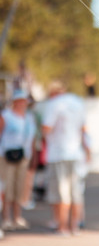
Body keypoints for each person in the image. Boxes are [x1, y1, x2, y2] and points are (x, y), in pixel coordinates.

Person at [41, 80, 90, 236]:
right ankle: (74, 227)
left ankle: (62, 227)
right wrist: (87, 149)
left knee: (61, 192)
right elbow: (83, 129)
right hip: (75, 153)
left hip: (58, 153)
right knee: (75, 192)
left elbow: (46, 128)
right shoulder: (77, 102)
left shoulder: (54, 104)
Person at [0, 90, 36, 231]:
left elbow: (32, 138)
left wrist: (33, 154)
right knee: (7, 186)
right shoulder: (6, 116)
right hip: (6, 155)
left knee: (20, 186)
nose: (22, 103)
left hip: (23, 156)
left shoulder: (29, 117)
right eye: (20, 100)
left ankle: (17, 216)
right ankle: (7, 218)